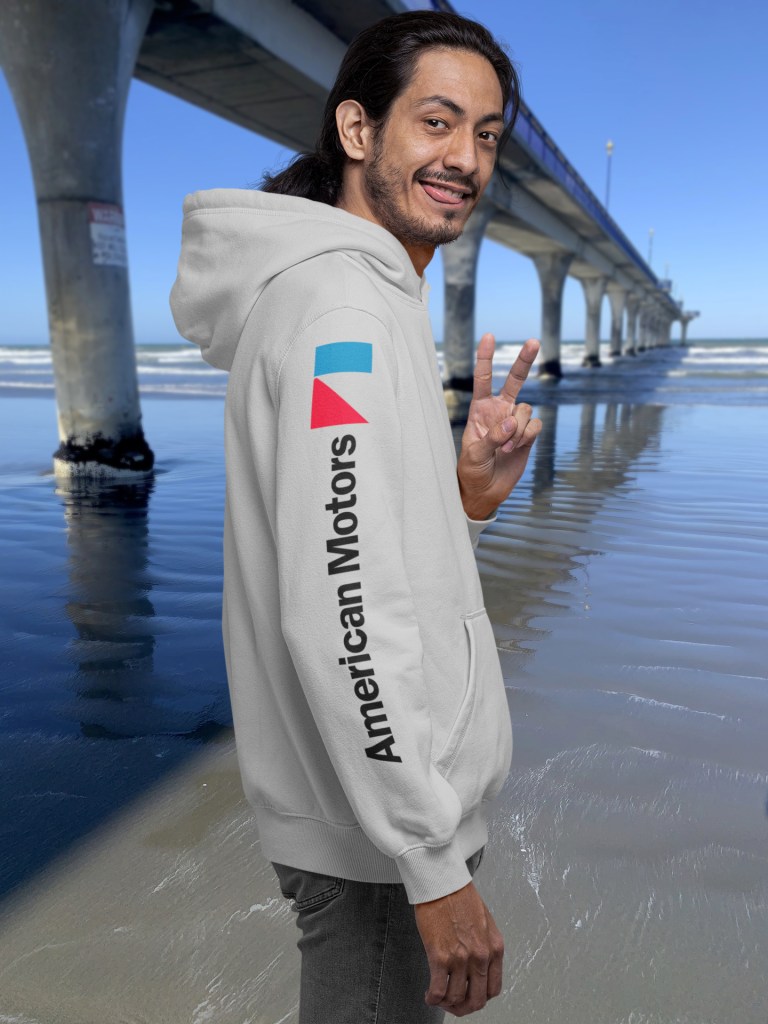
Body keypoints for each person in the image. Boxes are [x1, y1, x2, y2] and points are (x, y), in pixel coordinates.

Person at [170, 10, 541, 1021]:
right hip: (377, 844)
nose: (465, 158)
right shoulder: (345, 317)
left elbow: (360, 551)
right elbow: (344, 606)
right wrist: (428, 856)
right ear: (357, 129)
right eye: (437, 122)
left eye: (486, 134)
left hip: (372, 823)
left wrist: (463, 503)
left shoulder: (361, 300)